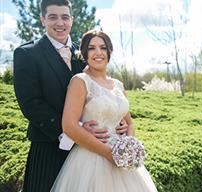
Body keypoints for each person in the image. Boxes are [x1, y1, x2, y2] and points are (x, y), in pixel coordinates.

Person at [13, 0, 127, 191]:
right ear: (43, 19)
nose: (60, 23)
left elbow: (99, 89)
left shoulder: (85, 51)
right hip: (49, 145)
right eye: (53, 17)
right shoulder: (27, 54)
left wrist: (115, 118)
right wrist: (76, 129)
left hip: (91, 150)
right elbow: (30, 103)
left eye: (65, 17)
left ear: (71, 20)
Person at [50, 30, 158, 192]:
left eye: (103, 47)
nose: (98, 52)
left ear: (110, 52)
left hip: (121, 159)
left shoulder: (118, 85)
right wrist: (109, 154)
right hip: (91, 158)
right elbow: (69, 126)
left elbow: (129, 122)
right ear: (84, 53)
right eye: (92, 48)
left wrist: (127, 148)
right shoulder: (80, 81)